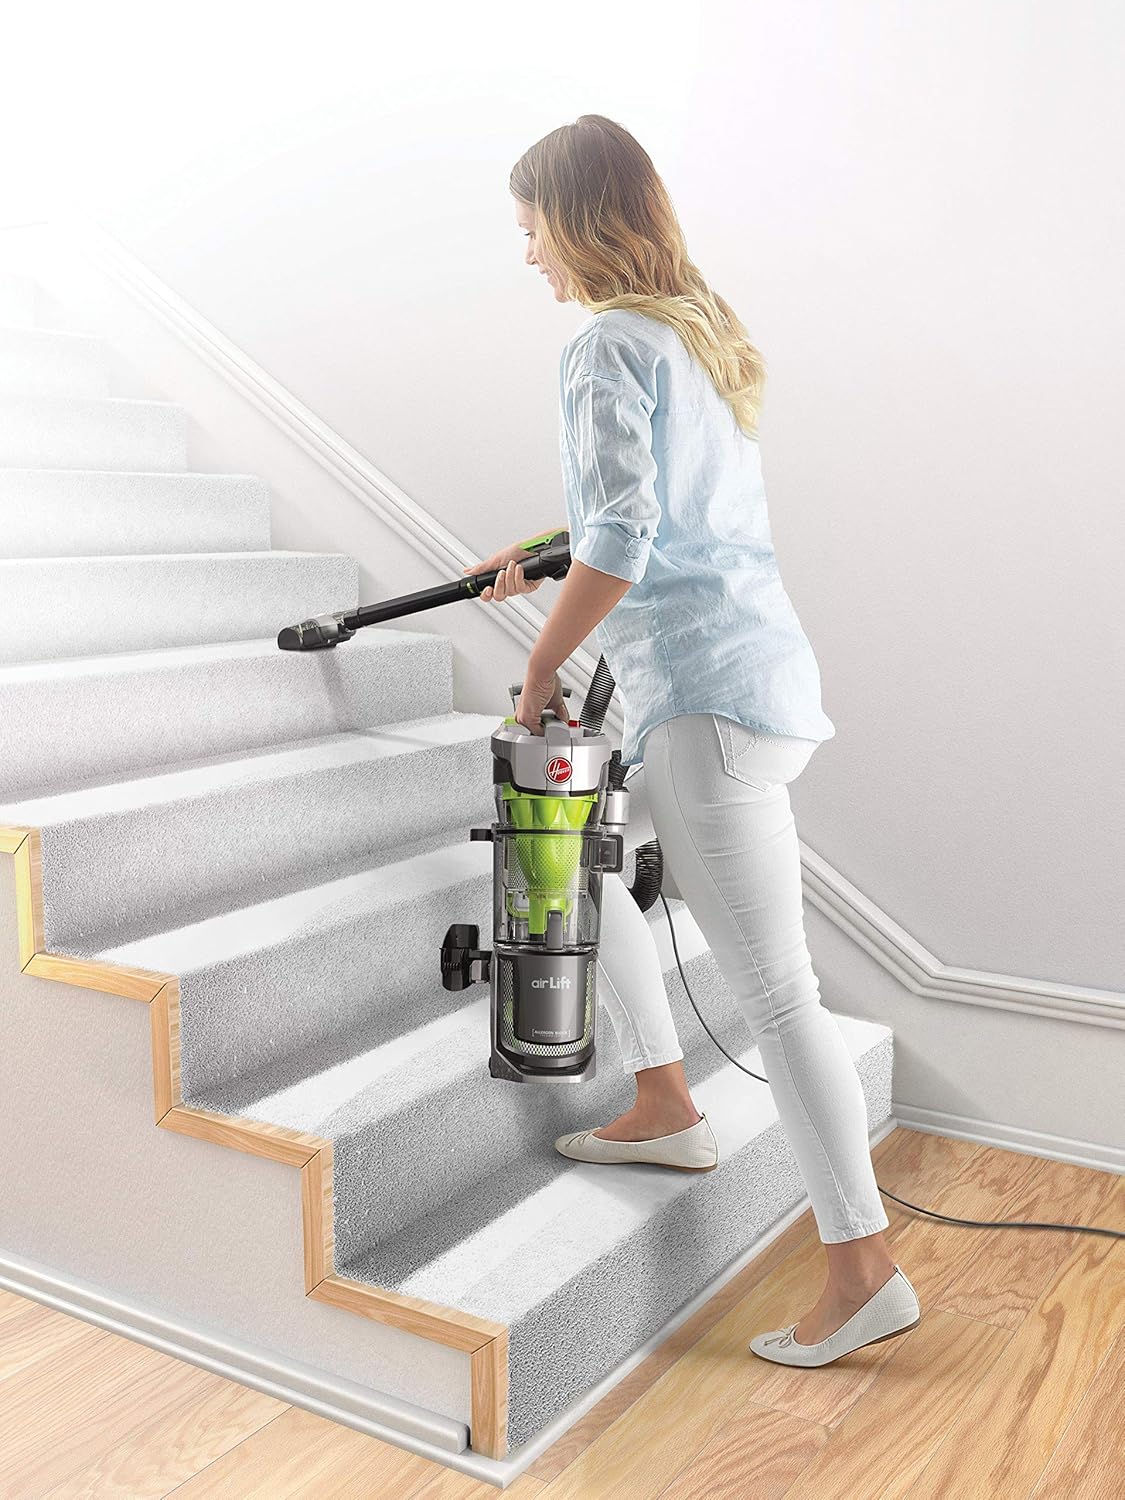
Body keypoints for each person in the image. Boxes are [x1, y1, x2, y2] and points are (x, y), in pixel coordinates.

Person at [463, 114, 920, 1367]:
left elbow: (627, 535)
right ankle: (665, 1100)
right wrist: (544, 549)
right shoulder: (691, 333)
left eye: (531, 229)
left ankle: (863, 1269)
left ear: (577, 221)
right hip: (742, 683)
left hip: (703, 705)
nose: (528, 254)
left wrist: (542, 666)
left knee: (779, 996)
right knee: (573, 868)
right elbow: (654, 515)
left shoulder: (602, 342)